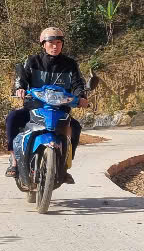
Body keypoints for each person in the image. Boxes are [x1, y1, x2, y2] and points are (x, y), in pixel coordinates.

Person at [5, 26, 89, 183]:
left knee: (75, 128)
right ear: (43, 44)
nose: (55, 46)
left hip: (61, 110)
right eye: (51, 43)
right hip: (34, 108)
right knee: (13, 117)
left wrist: (81, 96)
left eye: (59, 42)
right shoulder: (32, 61)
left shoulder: (70, 64)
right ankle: (14, 160)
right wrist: (20, 88)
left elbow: (78, 83)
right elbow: (21, 77)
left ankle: (63, 167)